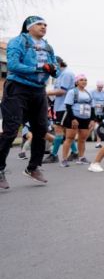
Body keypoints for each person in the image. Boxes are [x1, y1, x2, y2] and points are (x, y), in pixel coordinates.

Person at [0, 16, 60, 189]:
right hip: (18, 89)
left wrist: (53, 69)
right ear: (29, 27)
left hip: (39, 91)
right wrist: (39, 68)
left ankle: (33, 168)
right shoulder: (18, 42)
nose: (44, 27)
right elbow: (12, 65)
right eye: (40, 24)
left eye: (46, 24)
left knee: (41, 130)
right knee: (11, 130)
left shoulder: (48, 46)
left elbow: (54, 69)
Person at [43, 56, 80, 163]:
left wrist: (45, 92)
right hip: (59, 106)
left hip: (65, 106)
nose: (51, 67)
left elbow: (62, 91)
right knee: (63, 130)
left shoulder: (67, 74)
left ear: (58, 64)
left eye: (52, 65)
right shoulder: (60, 75)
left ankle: (54, 155)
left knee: (58, 129)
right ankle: (75, 152)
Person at [60, 74, 96, 167]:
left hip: (86, 119)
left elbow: (92, 107)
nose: (84, 81)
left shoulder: (89, 93)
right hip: (74, 118)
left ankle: (81, 158)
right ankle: (64, 159)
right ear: (77, 82)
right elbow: (68, 106)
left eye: (85, 80)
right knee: (69, 138)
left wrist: (92, 119)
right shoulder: (72, 92)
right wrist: (73, 119)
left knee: (82, 139)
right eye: (81, 80)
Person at [90, 80, 104, 148]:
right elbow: (90, 101)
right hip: (94, 112)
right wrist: (96, 105)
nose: (100, 88)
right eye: (99, 87)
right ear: (97, 86)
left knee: (101, 127)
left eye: (101, 87)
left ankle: (98, 143)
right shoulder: (92, 92)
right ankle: (82, 138)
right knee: (92, 127)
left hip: (103, 113)